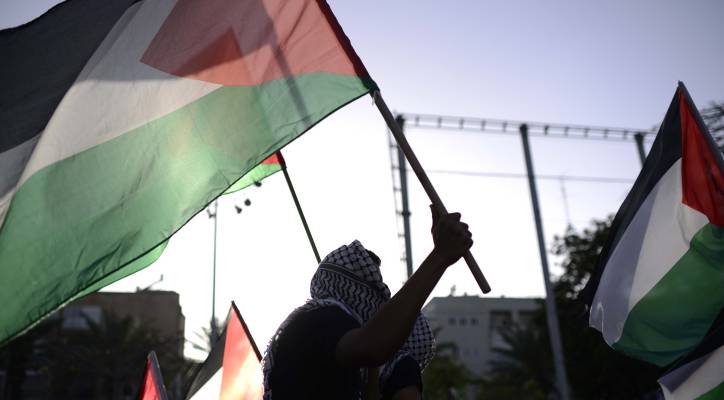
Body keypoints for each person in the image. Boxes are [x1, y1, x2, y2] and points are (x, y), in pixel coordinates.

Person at [262, 206, 473, 399]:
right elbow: (374, 346)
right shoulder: (323, 318)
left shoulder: (337, 335)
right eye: (373, 286)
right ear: (355, 288)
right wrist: (440, 255)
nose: (378, 299)